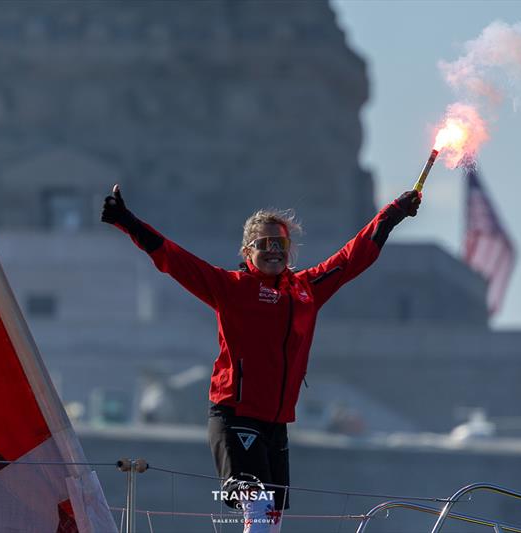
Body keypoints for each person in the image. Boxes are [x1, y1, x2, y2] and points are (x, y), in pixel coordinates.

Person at [101, 184, 420, 532]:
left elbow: (352, 257)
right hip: (235, 415)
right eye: (263, 244)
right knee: (260, 507)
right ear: (246, 250)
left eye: (280, 244)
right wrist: (126, 221)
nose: (273, 251)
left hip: (276, 423)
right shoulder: (231, 287)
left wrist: (393, 214)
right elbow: (174, 260)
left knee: (273, 520)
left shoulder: (306, 290)